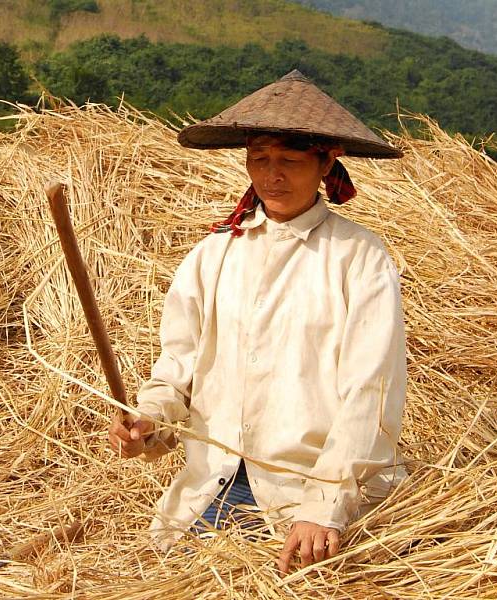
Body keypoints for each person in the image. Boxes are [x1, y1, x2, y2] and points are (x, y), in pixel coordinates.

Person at [108, 70, 407, 575]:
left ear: (326, 160)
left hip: (305, 494)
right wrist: (147, 420)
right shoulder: (215, 254)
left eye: (290, 161)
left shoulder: (359, 258)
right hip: (212, 486)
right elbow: (177, 368)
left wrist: (325, 506)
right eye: (259, 160)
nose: (272, 177)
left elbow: (370, 391)